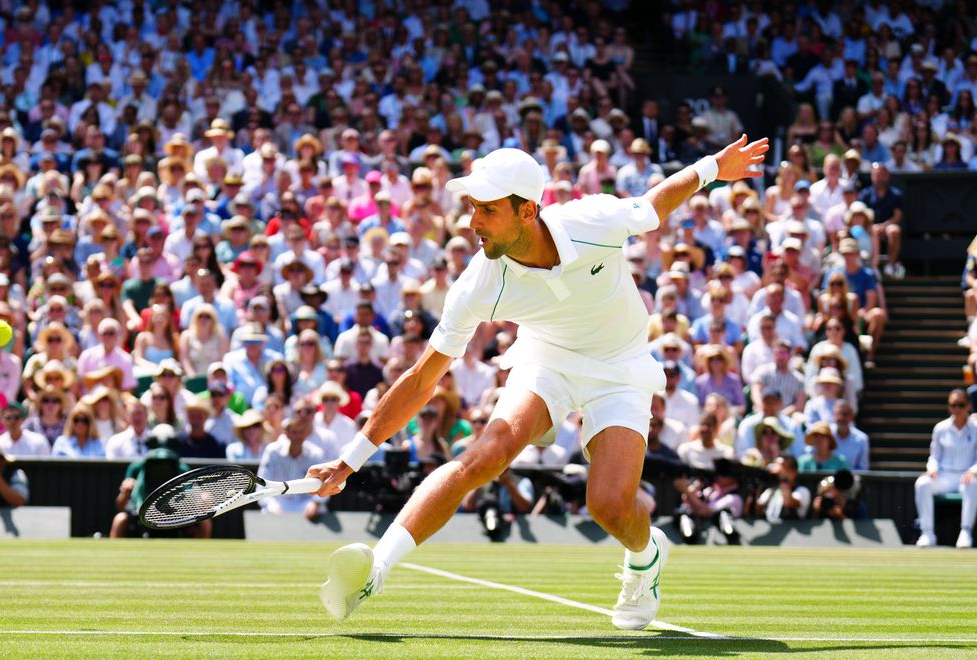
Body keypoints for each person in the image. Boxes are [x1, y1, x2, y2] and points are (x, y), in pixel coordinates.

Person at [310, 135, 769, 628]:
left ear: (527, 211)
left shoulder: (594, 221)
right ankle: (377, 569)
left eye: (487, 210)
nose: (472, 223)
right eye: (471, 208)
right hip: (545, 360)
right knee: (484, 455)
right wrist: (351, 458)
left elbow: (655, 203)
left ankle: (645, 555)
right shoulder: (478, 284)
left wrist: (712, 167)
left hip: (620, 366)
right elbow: (423, 379)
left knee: (610, 507)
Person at [914, 389, 977, 548]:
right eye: (953, 405)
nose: (957, 409)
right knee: (922, 483)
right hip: (944, 476)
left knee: (973, 483)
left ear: (968, 406)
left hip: (966, 476)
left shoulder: (976, 427)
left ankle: (965, 532)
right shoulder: (940, 428)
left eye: (960, 405)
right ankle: (927, 533)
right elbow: (934, 456)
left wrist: (973, 470)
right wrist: (932, 468)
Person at [259, 413, 325, 520]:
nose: (297, 436)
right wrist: (271, 504)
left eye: (301, 432)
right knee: (266, 511)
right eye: (294, 432)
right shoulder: (272, 451)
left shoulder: (316, 454)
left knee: (321, 510)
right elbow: (262, 484)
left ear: (306, 434)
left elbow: (323, 485)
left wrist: (315, 503)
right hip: (278, 502)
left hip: (305, 504)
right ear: (287, 433)